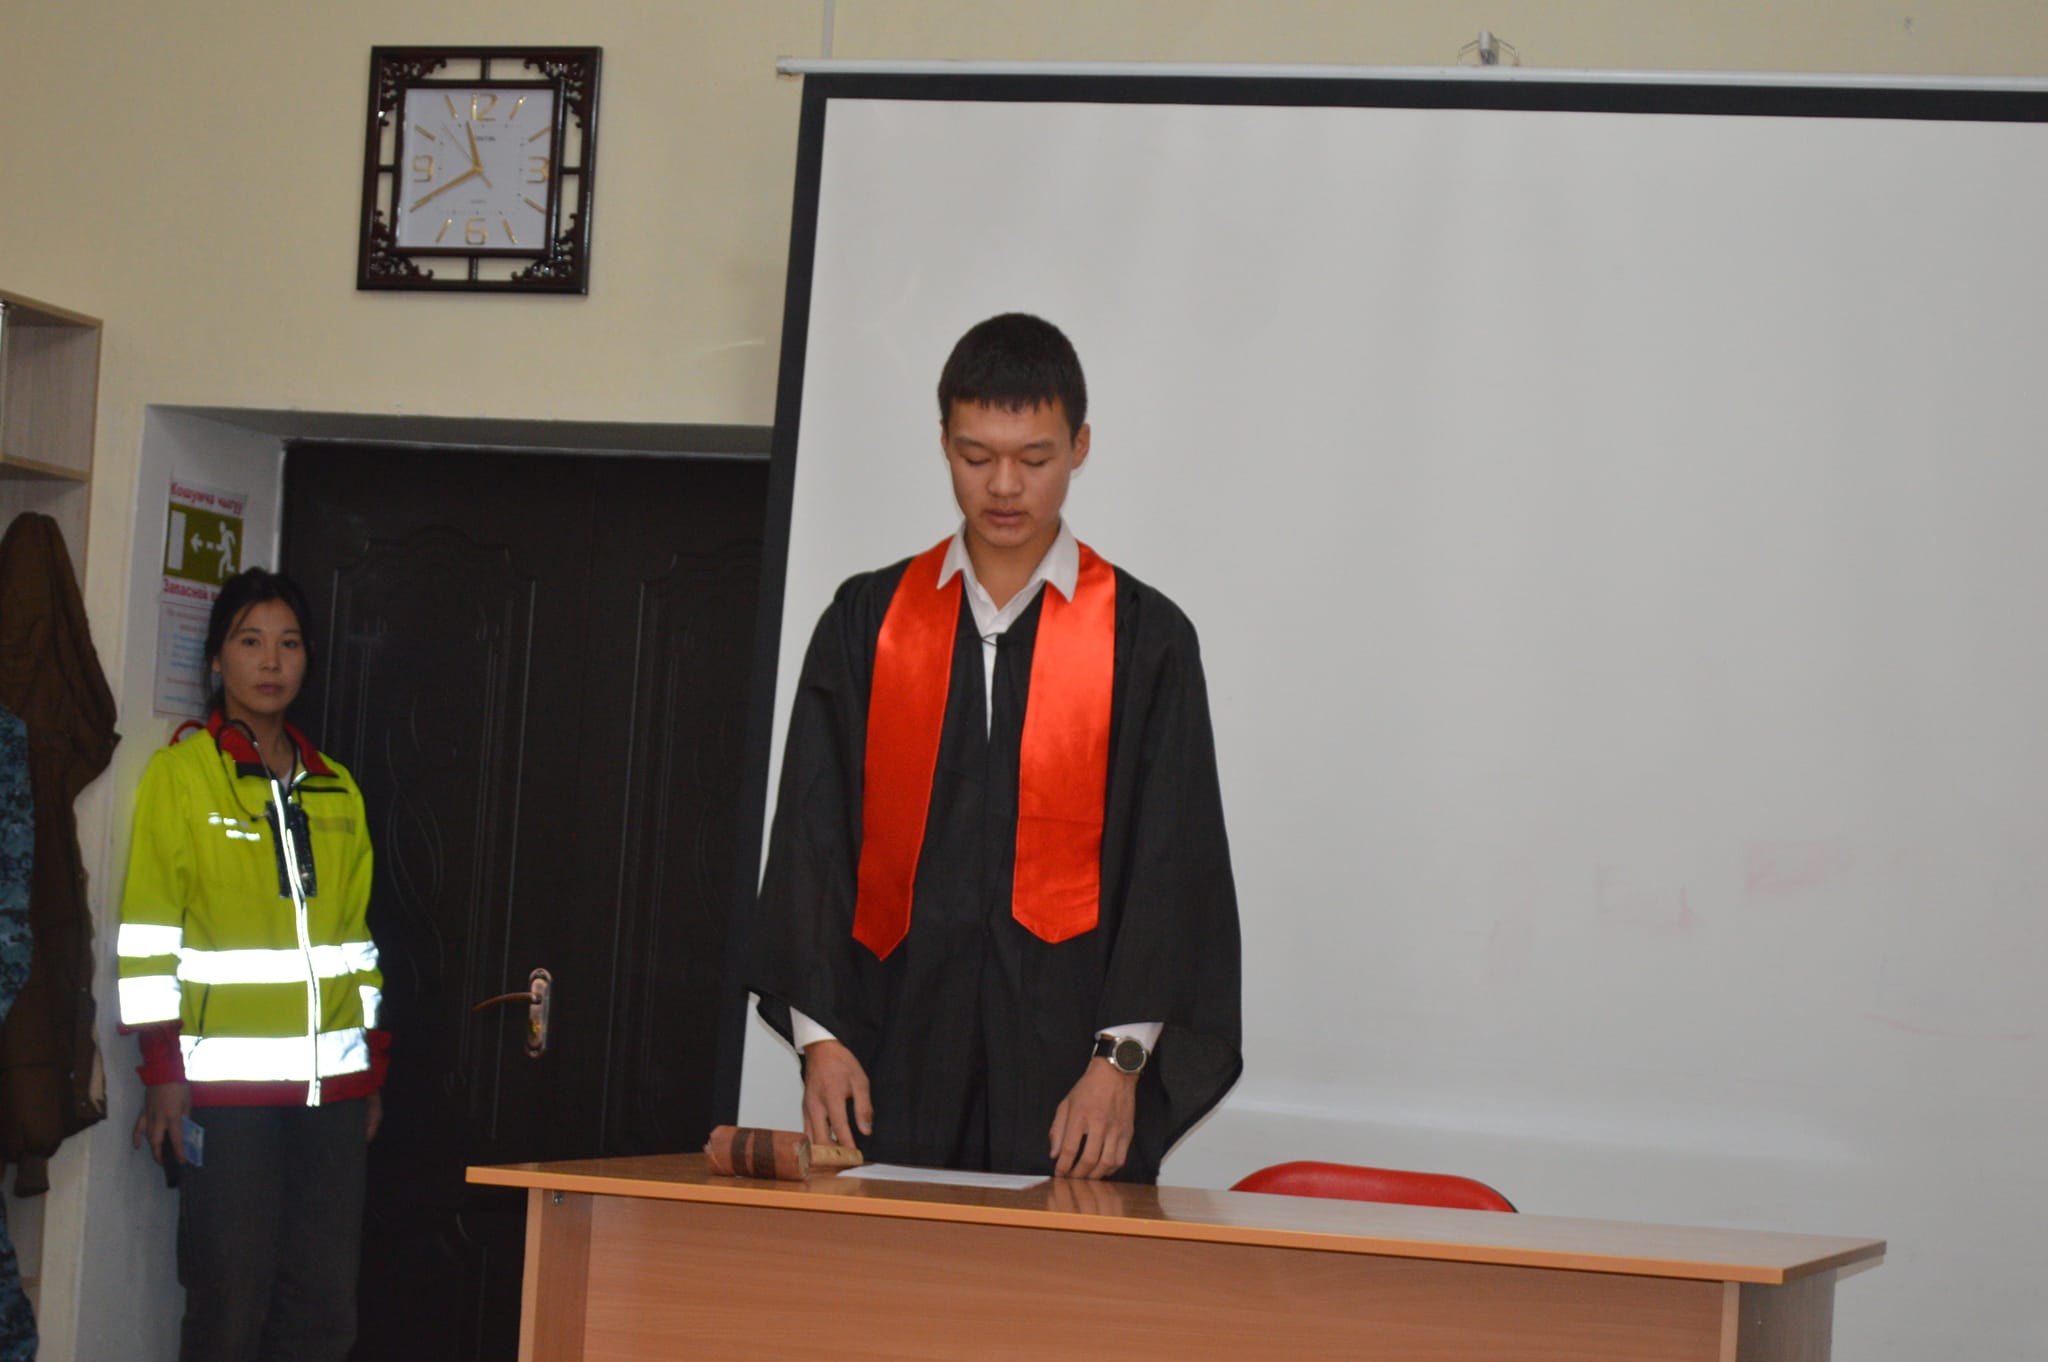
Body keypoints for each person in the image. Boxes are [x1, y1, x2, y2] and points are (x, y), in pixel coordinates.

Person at [750, 313, 1241, 1182]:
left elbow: (1171, 865)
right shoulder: (870, 623)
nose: (1004, 486)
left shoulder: (1145, 639)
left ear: (1080, 446)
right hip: (891, 1057)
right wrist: (821, 1040)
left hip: (1073, 1078)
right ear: (944, 442)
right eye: (976, 457)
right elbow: (811, 840)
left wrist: (1119, 1065)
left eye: (1035, 458)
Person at [116, 568, 387, 1362]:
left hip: (332, 1099)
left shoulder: (336, 788)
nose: (271, 662)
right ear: (217, 660)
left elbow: (358, 947)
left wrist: (369, 1069)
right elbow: (148, 937)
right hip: (224, 1100)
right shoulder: (182, 775)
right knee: (227, 1305)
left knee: (323, 1308)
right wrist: (162, 1071)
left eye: (289, 644)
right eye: (250, 641)